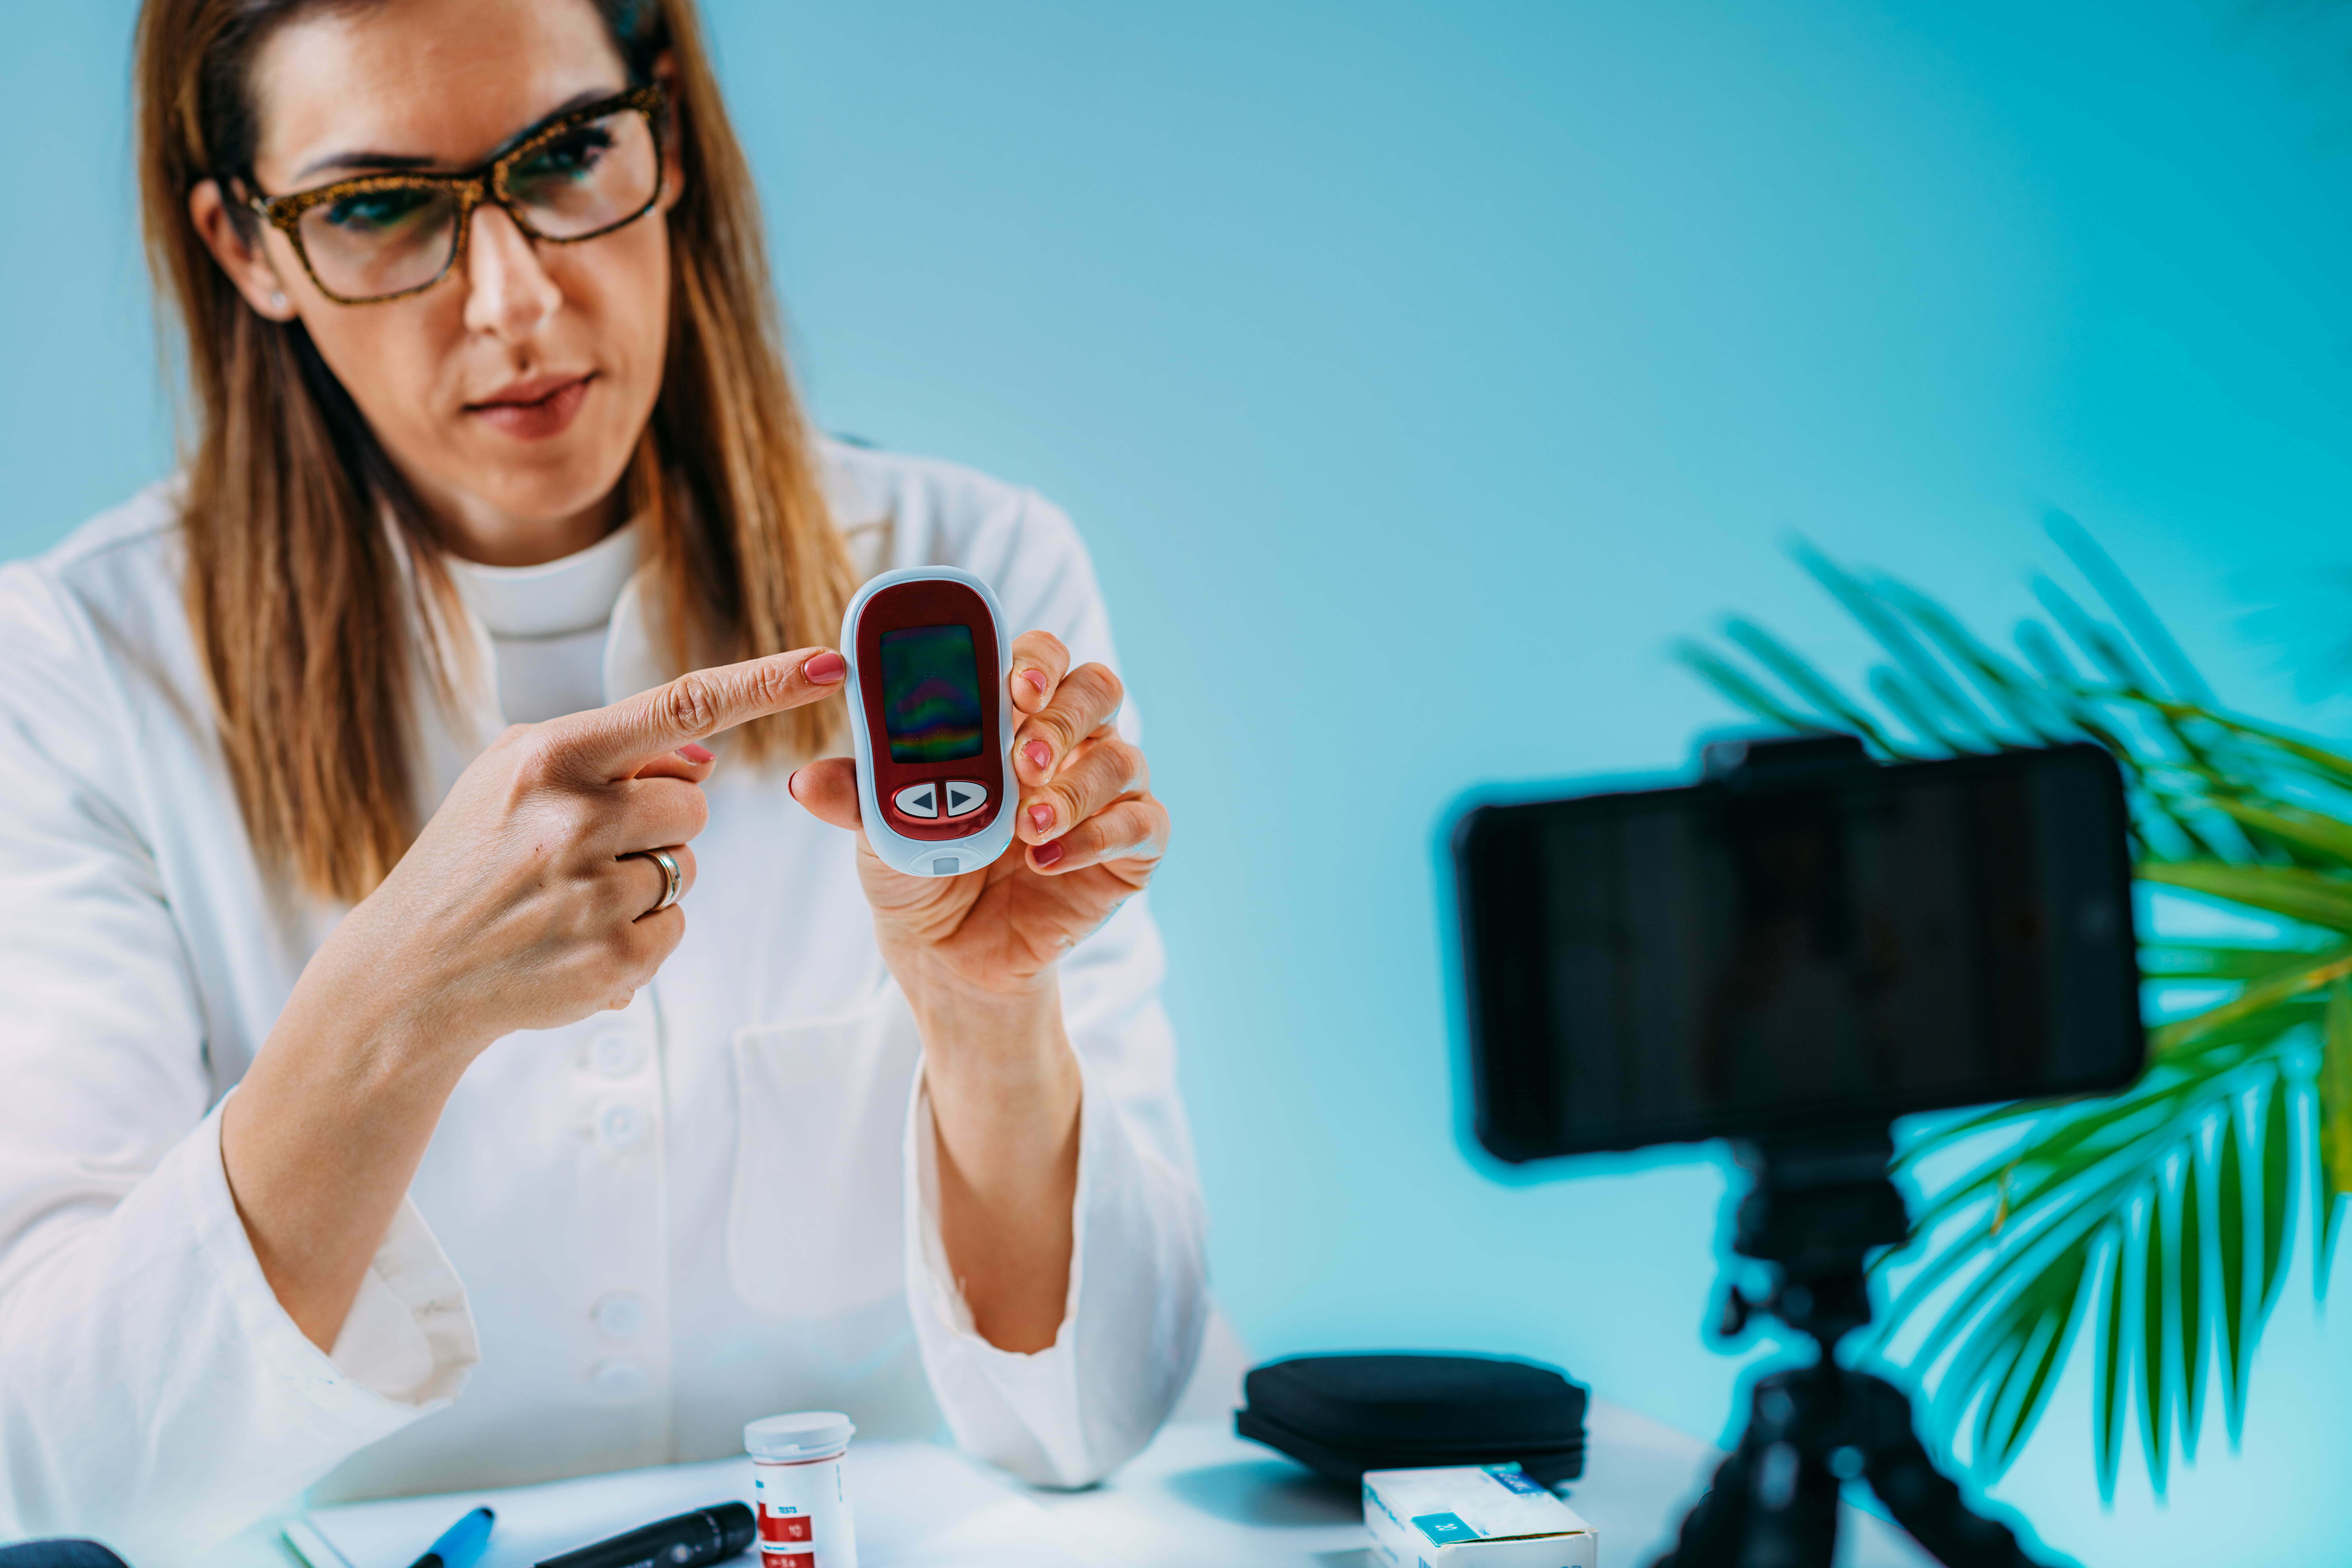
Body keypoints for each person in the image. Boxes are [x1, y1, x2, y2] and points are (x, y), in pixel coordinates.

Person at [0, 0, 1206, 1554]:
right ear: (249, 249)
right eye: (376, 208)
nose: (512, 300)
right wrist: (389, 1009)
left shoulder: (958, 580)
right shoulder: (77, 672)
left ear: (670, 136)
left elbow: (1098, 1423)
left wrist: (985, 1017)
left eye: (567, 155)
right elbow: (58, 1480)